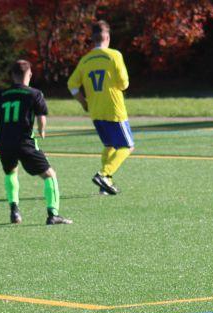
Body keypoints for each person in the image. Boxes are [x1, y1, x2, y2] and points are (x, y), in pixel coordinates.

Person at [0, 60, 72, 226]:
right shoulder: (34, 94)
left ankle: (14, 210)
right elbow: (41, 118)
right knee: (50, 175)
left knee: (11, 172)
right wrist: (41, 130)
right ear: (29, 74)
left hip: (4, 143)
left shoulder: (2, 94)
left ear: (12, 75)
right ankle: (53, 214)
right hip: (24, 143)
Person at [67, 20, 132, 196]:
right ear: (107, 37)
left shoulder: (85, 60)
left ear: (93, 39)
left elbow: (72, 85)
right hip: (113, 109)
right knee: (127, 146)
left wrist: (83, 102)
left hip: (95, 111)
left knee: (109, 145)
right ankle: (104, 174)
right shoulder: (114, 55)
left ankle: (105, 184)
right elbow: (124, 83)